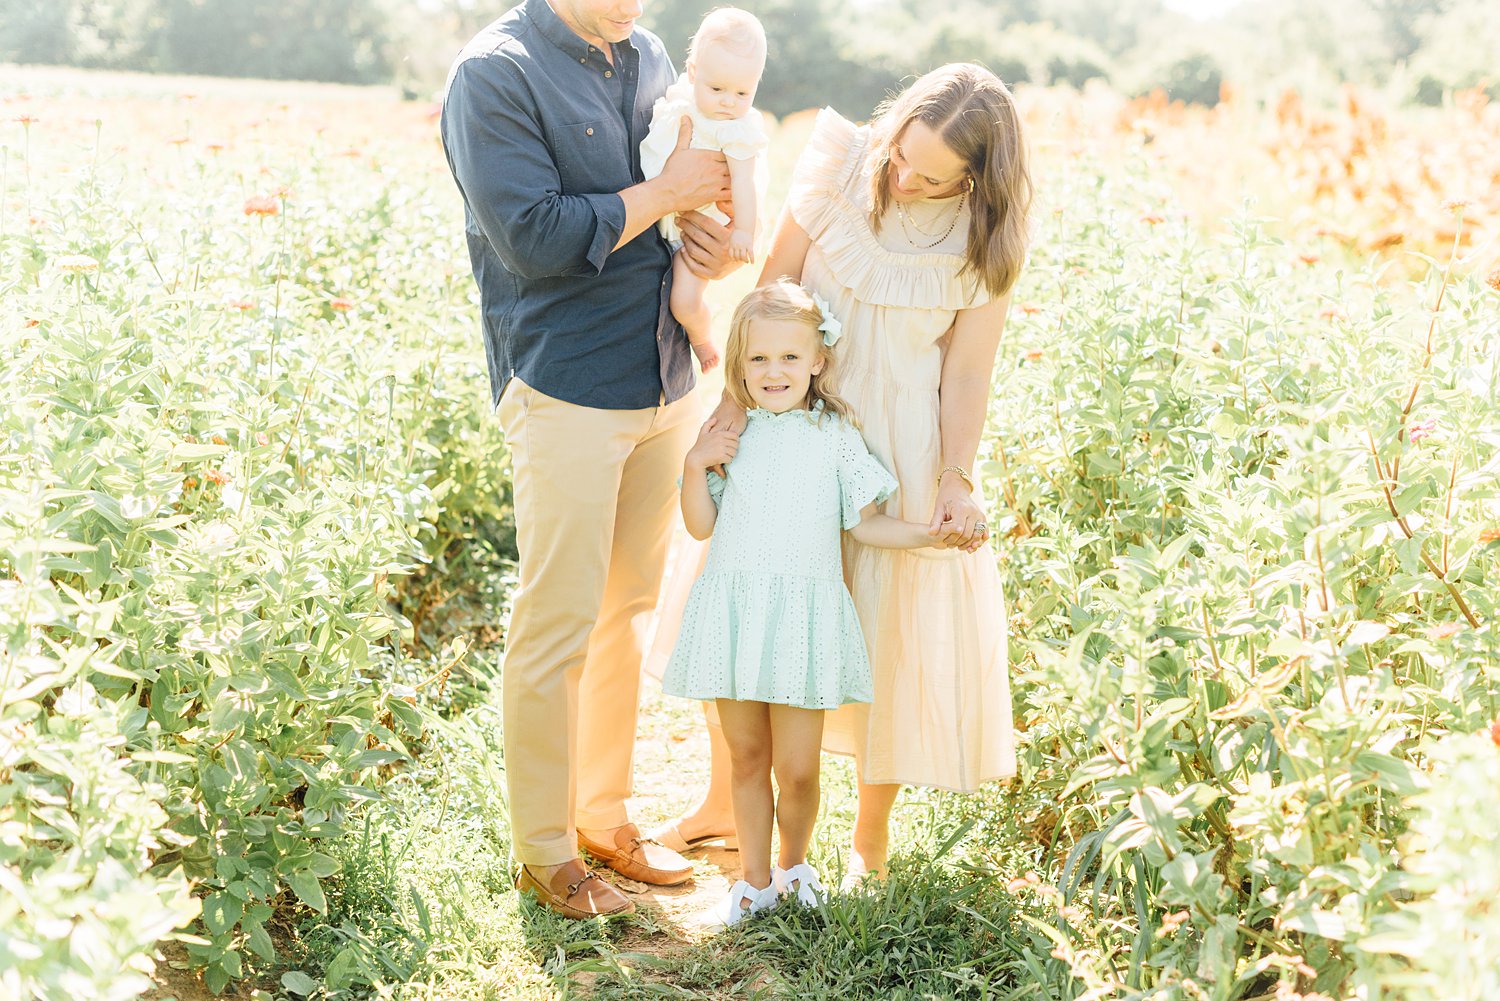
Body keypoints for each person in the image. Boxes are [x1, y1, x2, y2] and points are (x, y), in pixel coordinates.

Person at [656, 63, 1033, 884]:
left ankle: (869, 839)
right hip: (786, 409)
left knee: (880, 627)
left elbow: (967, 373)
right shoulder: (839, 165)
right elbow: (772, 289)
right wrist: (734, 405)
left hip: (899, 441)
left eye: (932, 176)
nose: (905, 177)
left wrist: (956, 477)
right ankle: (727, 797)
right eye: (902, 155)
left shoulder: (985, 239)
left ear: (977, 176)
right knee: (756, 601)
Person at [439, 0, 742, 920]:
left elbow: (671, 211)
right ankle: (544, 851)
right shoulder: (494, 74)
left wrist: (707, 241)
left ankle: (604, 817)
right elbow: (531, 237)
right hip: (565, 384)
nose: (632, 5)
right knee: (558, 620)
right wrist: (669, 195)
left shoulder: (647, 55)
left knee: (628, 614)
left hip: (661, 375)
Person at [661, 279, 948, 925]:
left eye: (790, 357)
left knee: (796, 767)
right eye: (759, 358)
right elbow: (701, 525)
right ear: (740, 364)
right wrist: (693, 464)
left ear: (819, 360)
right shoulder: (731, 435)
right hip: (737, 613)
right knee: (746, 756)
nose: (774, 371)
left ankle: (795, 869)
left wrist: (926, 533)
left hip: (802, 620)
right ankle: (752, 883)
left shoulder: (836, 435)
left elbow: (866, 521)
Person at [639, 7, 770, 373]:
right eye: (717, 89)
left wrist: (743, 231)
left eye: (743, 92)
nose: (729, 101)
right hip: (654, 218)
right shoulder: (680, 101)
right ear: (693, 73)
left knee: (684, 301)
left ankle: (703, 340)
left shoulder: (737, 129)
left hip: (698, 233)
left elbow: (746, 183)